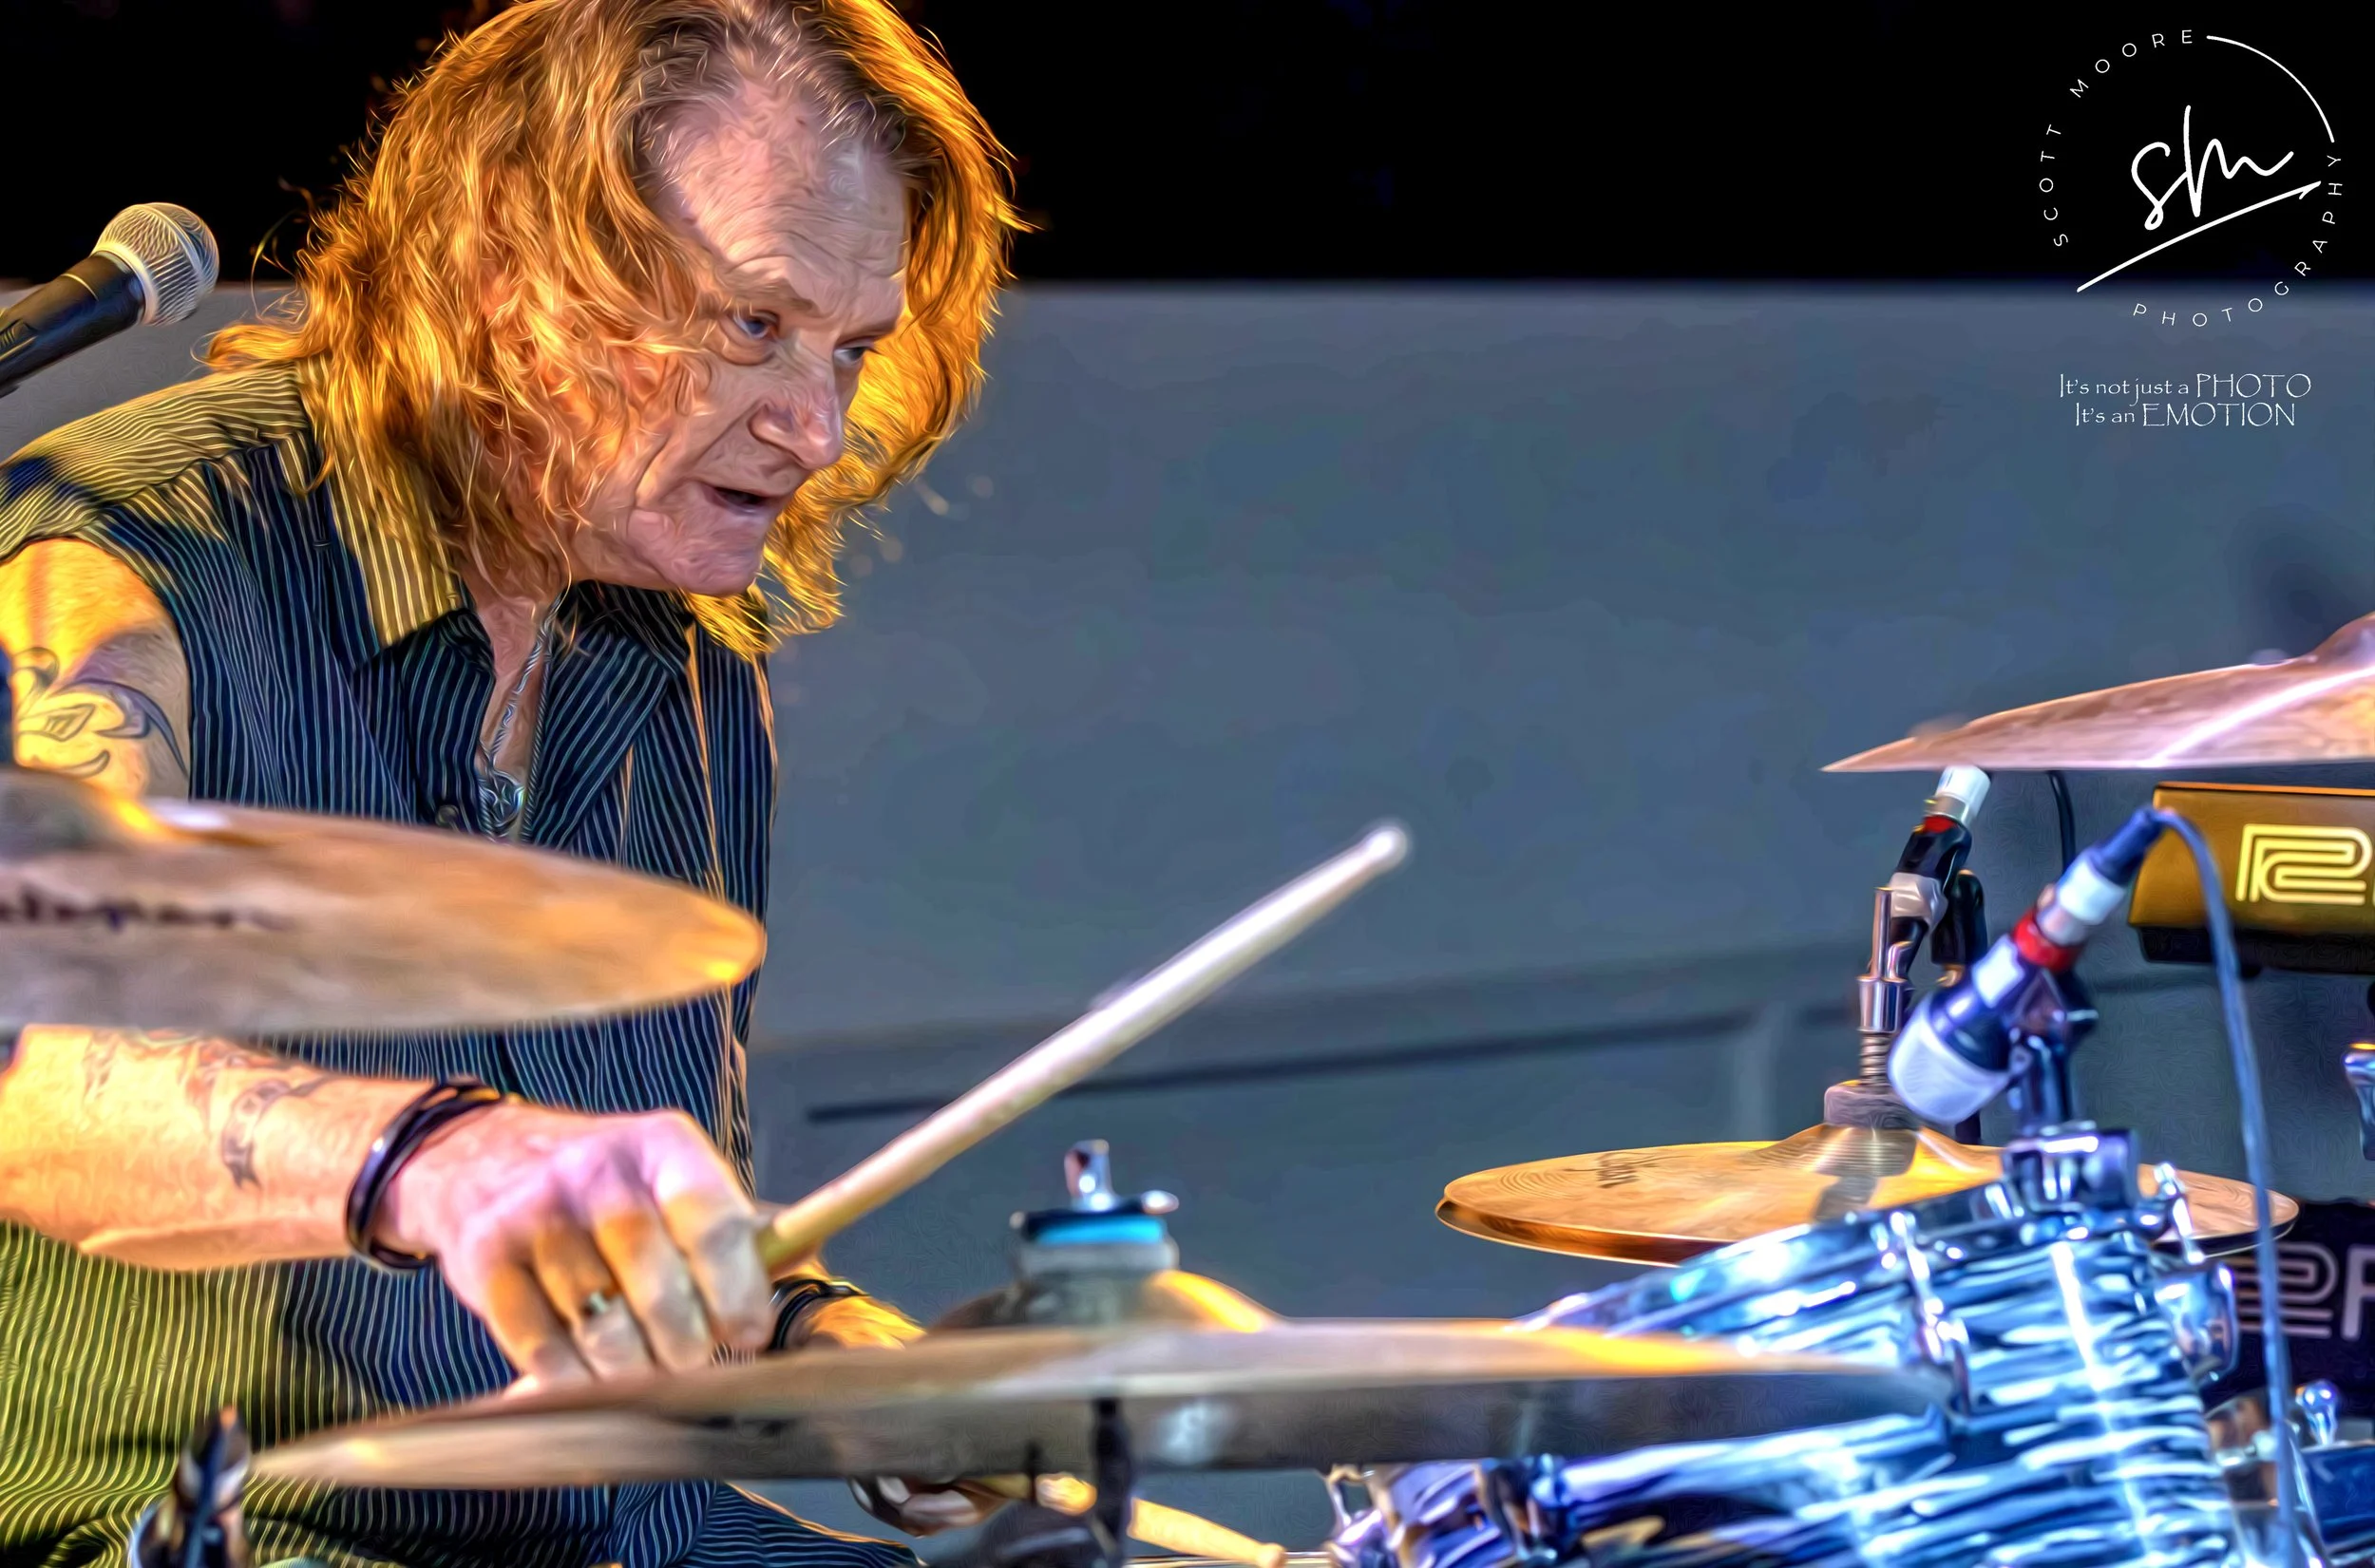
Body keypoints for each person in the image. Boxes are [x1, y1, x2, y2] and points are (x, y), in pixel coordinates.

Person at [0, 1, 1015, 1563]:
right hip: (230, 1525)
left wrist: (828, 1350)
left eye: (851, 348)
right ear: (507, 276)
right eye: (751, 324)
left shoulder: (683, 651)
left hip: (631, 1528)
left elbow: (627, 1243)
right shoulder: (122, 567)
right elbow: (27, 1077)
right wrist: (444, 1157)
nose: (816, 428)